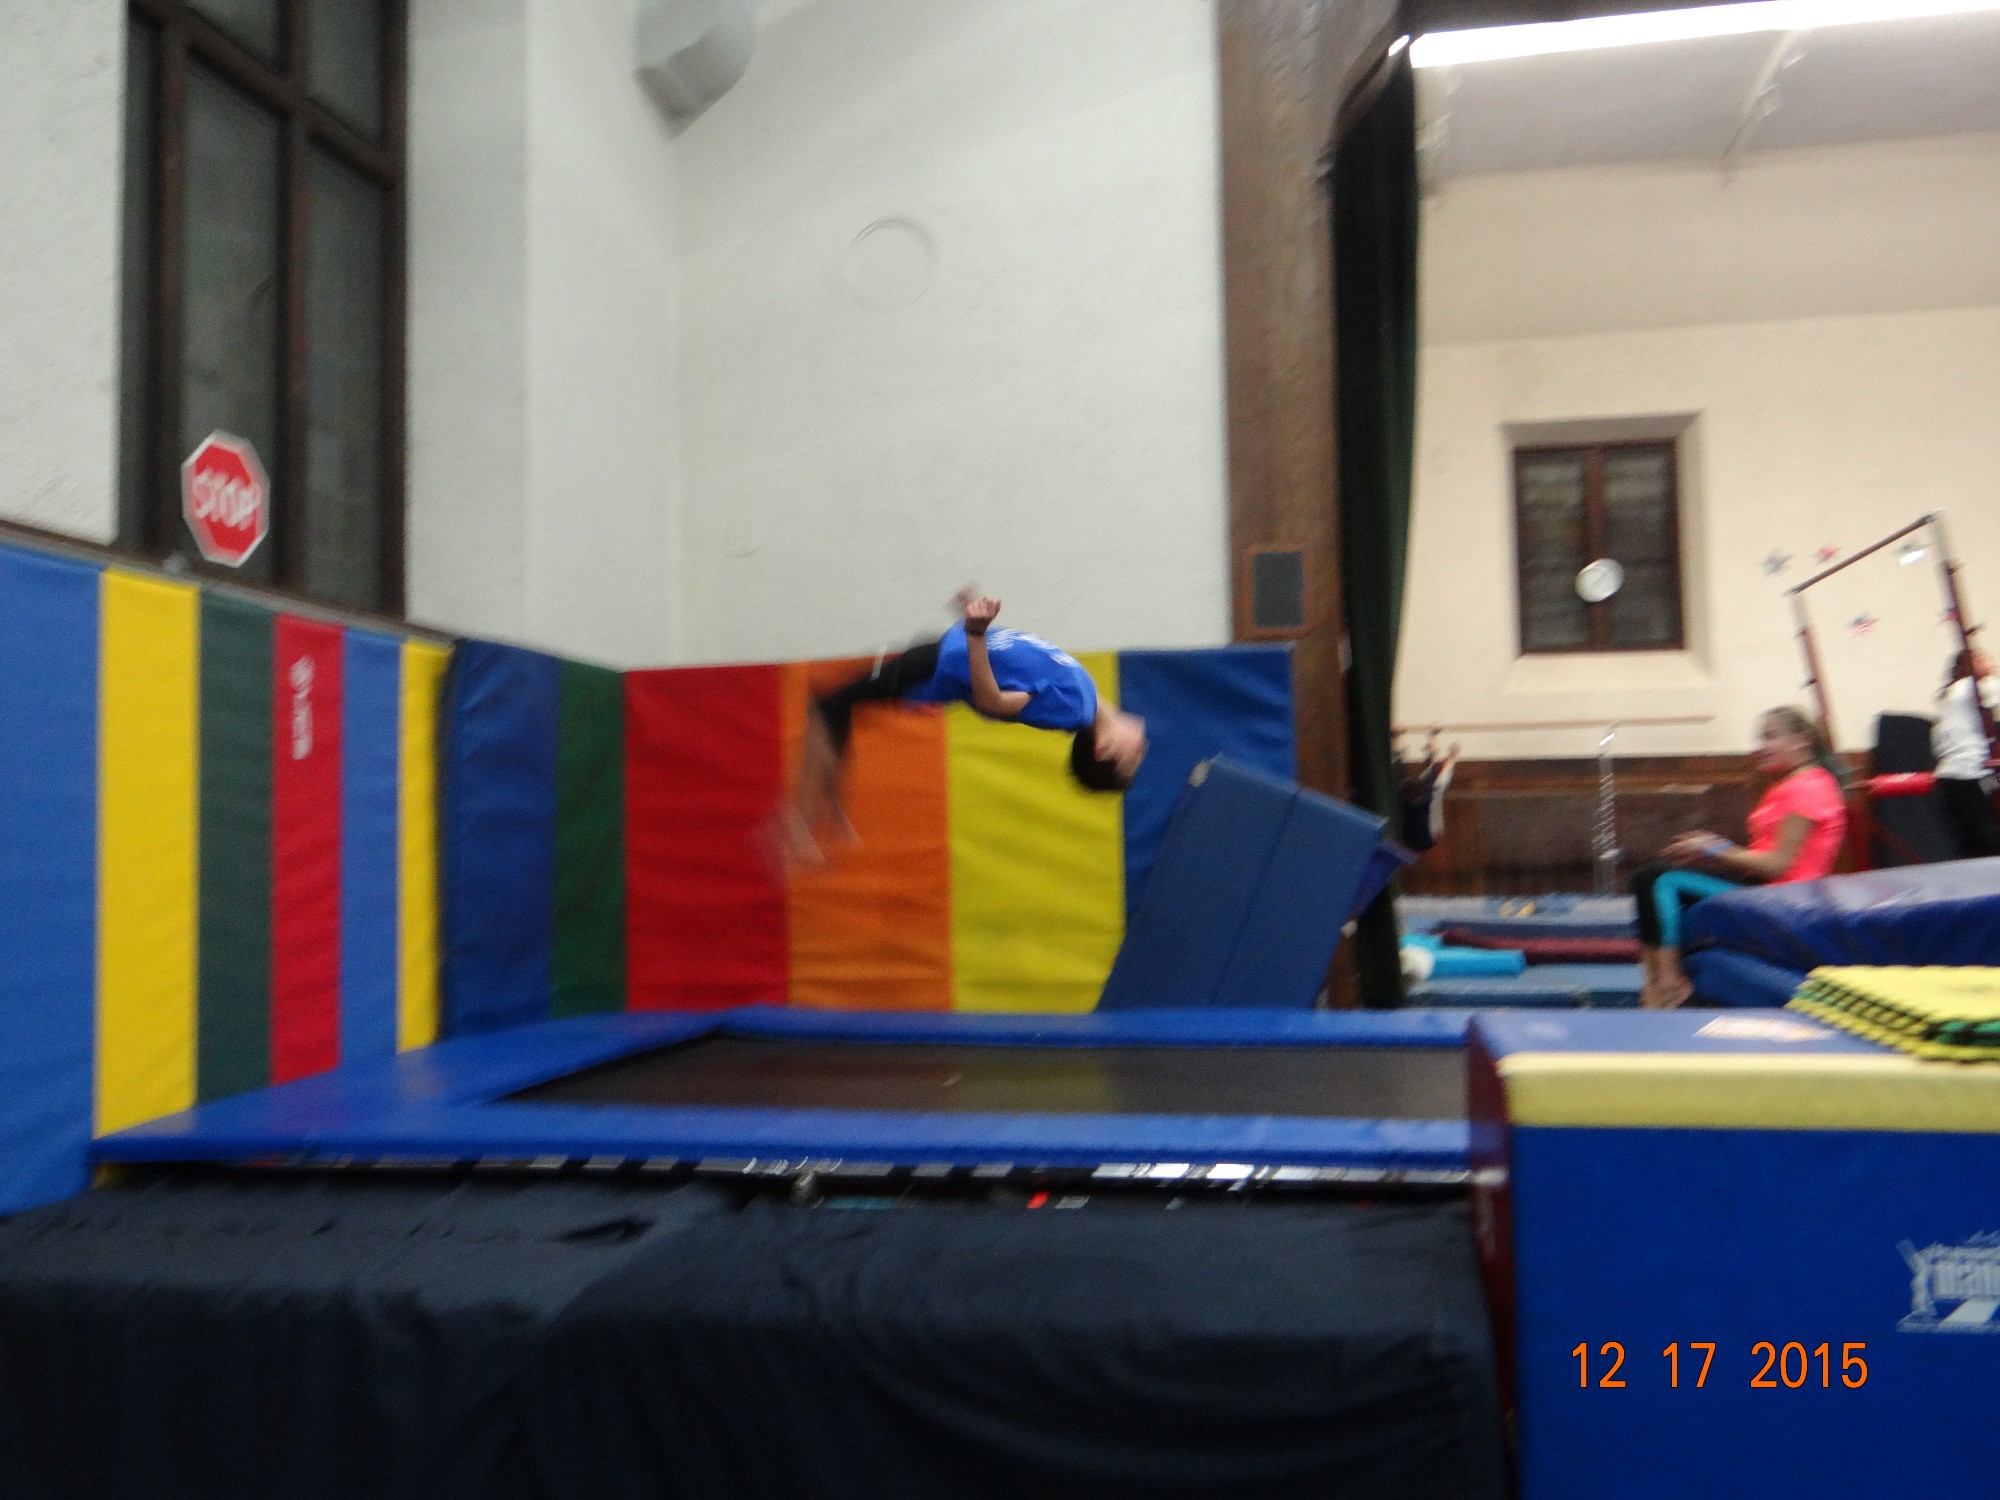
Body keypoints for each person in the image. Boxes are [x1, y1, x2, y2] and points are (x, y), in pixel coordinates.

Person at [786, 589, 1147, 863]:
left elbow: (994, 704)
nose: (1143, 744)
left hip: (937, 664)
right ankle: (826, 806)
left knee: (830, 706)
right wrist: (971, 619)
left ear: (1104, 749)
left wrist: (975, 635)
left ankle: (804, 817)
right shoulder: (1087, 698)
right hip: (945, 651)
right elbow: (1015, 662)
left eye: (1134, 756)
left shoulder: (1072, 709)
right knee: (838, 706)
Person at [1631, 706, 1849, 1010]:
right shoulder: (1791, 784)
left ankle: (1669, 984)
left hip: (1782, 895)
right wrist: (1712, 852)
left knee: (1661, 880)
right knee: (1644, 878)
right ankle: (1653, 981)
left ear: (1801, 740)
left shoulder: (1810, 787)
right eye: (1761, 738)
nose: (1762, 746)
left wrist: (1716, 849)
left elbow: (1779, 865)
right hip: (1761, 884)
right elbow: (1762, 855)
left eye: (1770, 737)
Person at [1931, 647, 2000, 859]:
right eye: (1985, 659)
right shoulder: (1971, 687)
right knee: (1984, 841)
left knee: (1968, 843)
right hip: (1968, 773)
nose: (1992, 663)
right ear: (1972, 663)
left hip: (1950, 776)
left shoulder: (1951, 693)